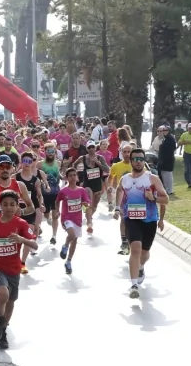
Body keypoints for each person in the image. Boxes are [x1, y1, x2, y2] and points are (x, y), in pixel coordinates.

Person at [0, 190, 38, 350]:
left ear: (17, 206)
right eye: (5, 204)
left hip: (13, 268)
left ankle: (2, 330)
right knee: (3, 294)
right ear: (0, 206)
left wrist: (22, 239)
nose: (9, 208)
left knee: (11, 300)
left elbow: (35, 245)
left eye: (12, 204)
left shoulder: (21, 224)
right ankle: (0, 317)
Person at [114, 148, 169, 299]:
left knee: (144, 253)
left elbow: (166, 200)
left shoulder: (152, 179)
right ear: (130, 161)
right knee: (135, 249)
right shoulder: (125, 179)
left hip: (149, 220)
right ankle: (133, 285)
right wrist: (118, 208)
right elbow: (119, 190)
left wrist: (153, 199)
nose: (138, 162)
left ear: (144, 161)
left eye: (141, 159)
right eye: (135, 159)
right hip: (132, 219)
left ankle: (141, 267)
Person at [56, 168, 90, 274]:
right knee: (71, 235)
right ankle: (65, 245)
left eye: (74, 175)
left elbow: (86, 202)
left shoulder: (81, 190)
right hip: (66, 218)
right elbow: (57, 201)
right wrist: (57, 211)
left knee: (75, 240)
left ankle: (68, 261)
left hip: (78, 219)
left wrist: (85, 205)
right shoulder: (63, 191)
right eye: (70, 175)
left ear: (77, 177)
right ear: (67, 177)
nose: (73, 177)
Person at [74, 140, 110, 234]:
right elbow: (74, 165)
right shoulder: (83, 158)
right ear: (87, 149)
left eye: (92, 147)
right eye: (89, 147)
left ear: (95, 147)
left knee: (94, 206)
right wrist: (76, 176)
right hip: (87, 185)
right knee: (88, 204)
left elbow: (107, 169)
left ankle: (88, 216)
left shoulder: (100, 157)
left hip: (97, 185)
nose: (91, 149)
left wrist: (98, 163)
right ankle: (89, 223)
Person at [157, 125, 177, 195]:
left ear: (169, 131)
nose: (164, 132)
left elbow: (172, 148)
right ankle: (167, 189)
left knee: (167, 175)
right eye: (164, 130)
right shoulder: (165, 138)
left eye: (166, 130)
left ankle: (169, 190)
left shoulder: (170, 138)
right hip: (164, 159)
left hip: (168, 160)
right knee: (164, 174)